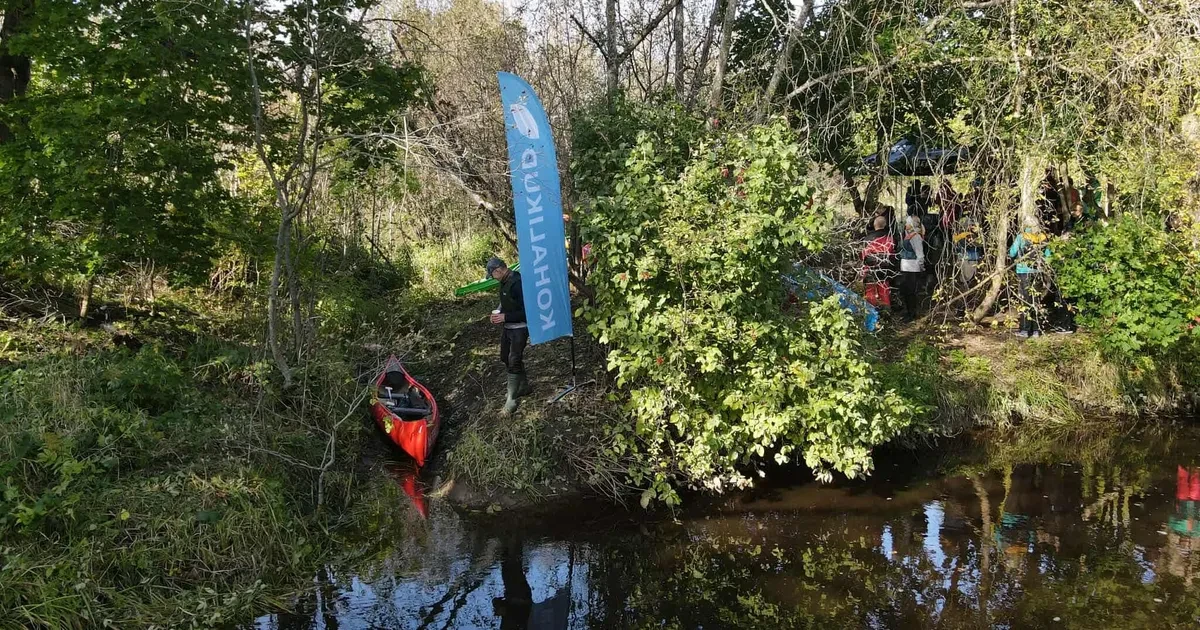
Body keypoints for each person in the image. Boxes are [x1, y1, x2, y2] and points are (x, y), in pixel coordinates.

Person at [486, 257, 532, 414]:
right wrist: (498, 312)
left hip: (520, 327)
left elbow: (528, 311)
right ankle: (524, 386)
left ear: (498, 270)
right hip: (508, 328)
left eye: (492, 275)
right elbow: (505, 301)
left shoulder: (518, 283)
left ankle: (511, 399)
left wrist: (505, 317)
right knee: (505, 357)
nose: (492, 278)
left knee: (514, 359)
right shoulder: (504, 281)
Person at [1008, 218, 1051, 338]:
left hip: (1023, 271)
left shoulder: (1022, 237)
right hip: (1037, 271)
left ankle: (1025, 330)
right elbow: (1048, 256)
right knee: (1036, 300)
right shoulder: (1042, 237)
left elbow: (1012, 252)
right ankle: (1036, 330)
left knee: (1025, 300)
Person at [861, 214, 896, 309]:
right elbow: (892, 254)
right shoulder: (890, 238)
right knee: (884, 291)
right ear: (885, 225)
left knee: (870, 292)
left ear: (874, 225)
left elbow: (863, 256)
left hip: (870, 268)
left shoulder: (867, 239)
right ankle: (886, 313)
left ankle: (871, 314)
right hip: (884, 268)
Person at [897, 215, 926, 317]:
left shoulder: (916, 237)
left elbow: (920, 254)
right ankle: (908, 311)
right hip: (906, 266)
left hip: (913, 267)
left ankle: (912, 313)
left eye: (907, 223)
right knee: (905, 291)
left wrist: (921, 267)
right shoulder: (908, 235)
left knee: (911, 292)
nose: (905, 225)